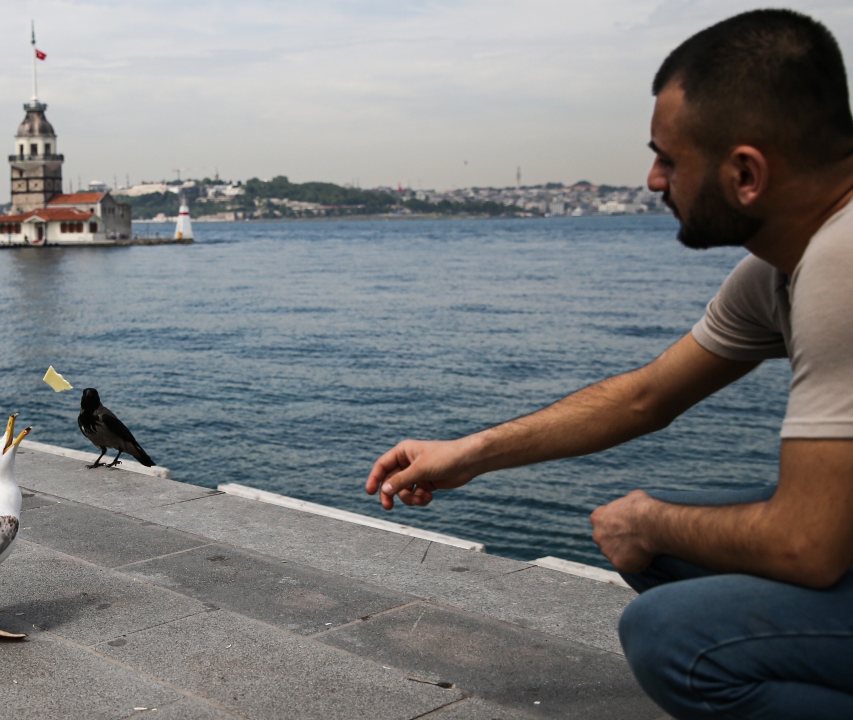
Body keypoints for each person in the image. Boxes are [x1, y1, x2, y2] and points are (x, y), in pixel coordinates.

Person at [365, 9, 853, 719]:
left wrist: (653, 520)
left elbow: (808, 544)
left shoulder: (842, 263)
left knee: (671, 633)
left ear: (746, 173)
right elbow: (645, 397)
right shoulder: (783, 267)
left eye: (669, 160)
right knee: (664, 544)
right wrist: (467, 454)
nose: (653, 180)